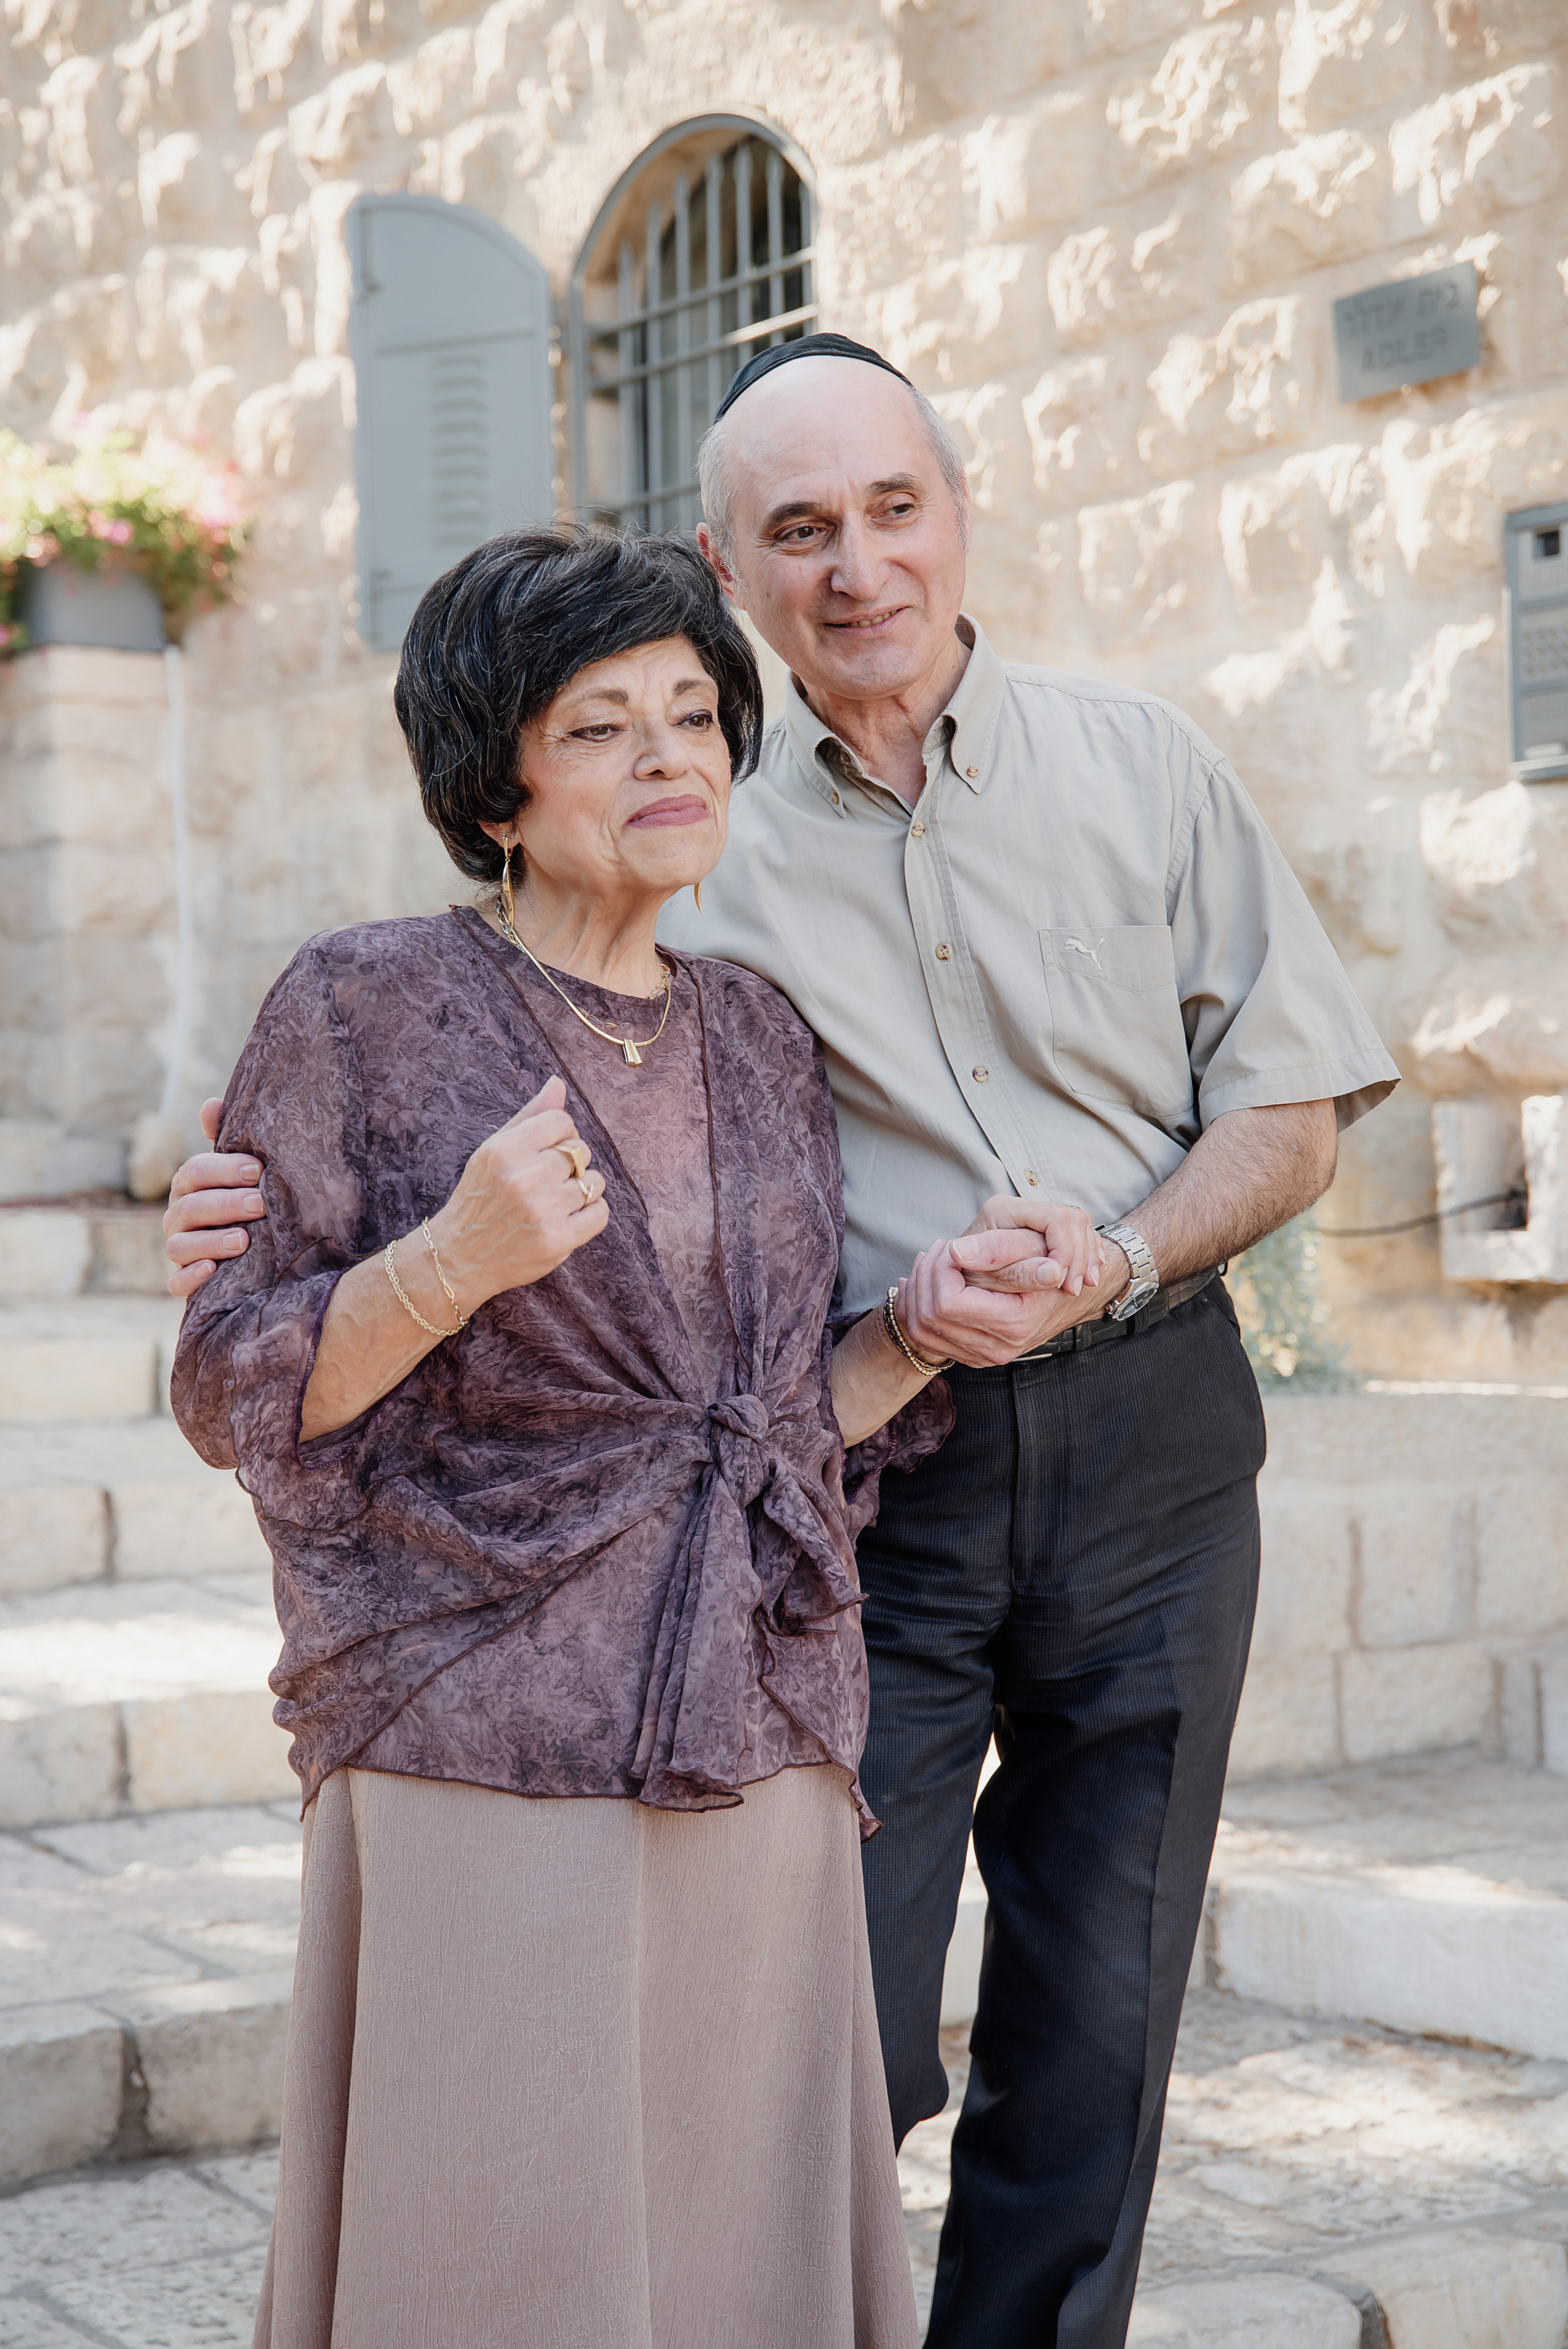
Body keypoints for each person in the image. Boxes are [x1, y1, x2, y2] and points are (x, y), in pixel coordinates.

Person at [168, 337, 1400, 2349]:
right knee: (828, 2030)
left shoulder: (1128, 773)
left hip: (1135, 1433)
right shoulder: (645, 865)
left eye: (895, 508)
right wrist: (325, 1229)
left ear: (959, 511)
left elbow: (1290, 1107)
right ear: (733, 567)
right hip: (837, 1518)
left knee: (1097, 2016)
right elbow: (439, 1067)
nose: (859, 564)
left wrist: (1080, 1263)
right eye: (801, 529)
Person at [168, 524, 1102, 2349]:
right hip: (475, 1718)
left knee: (732, 2225)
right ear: (493, 791)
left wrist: (919, 1328)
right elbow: (229, 1384)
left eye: (693, 712)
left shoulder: (759, 1036)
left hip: (752, 1723)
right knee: (499, 2239)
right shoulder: (363, 1003)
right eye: (599, 727)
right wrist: (450, 1261)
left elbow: (771, 1430)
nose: (670, 756)